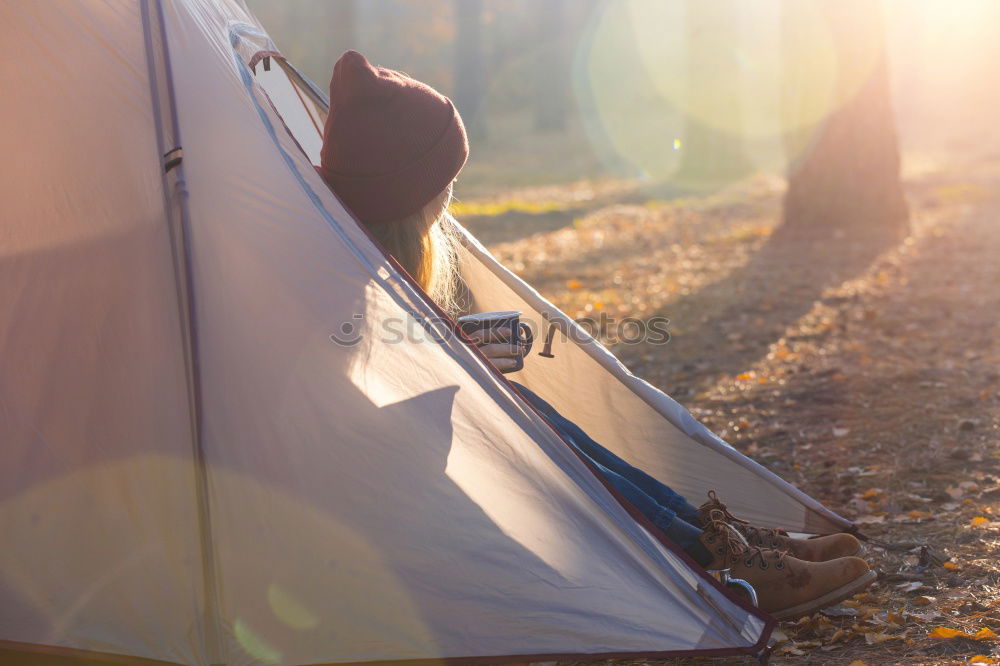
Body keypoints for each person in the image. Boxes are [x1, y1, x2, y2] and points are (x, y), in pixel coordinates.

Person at [317, 50, 875, 619]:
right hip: (381, 476)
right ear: (408, 200)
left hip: (400, 445)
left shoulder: (354, 251)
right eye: (444, 185)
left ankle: (711, 539)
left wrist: (462, 349)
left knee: (532, 411)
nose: (449, 200)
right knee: (532, 427)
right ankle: (705, 564)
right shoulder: (338, 275)